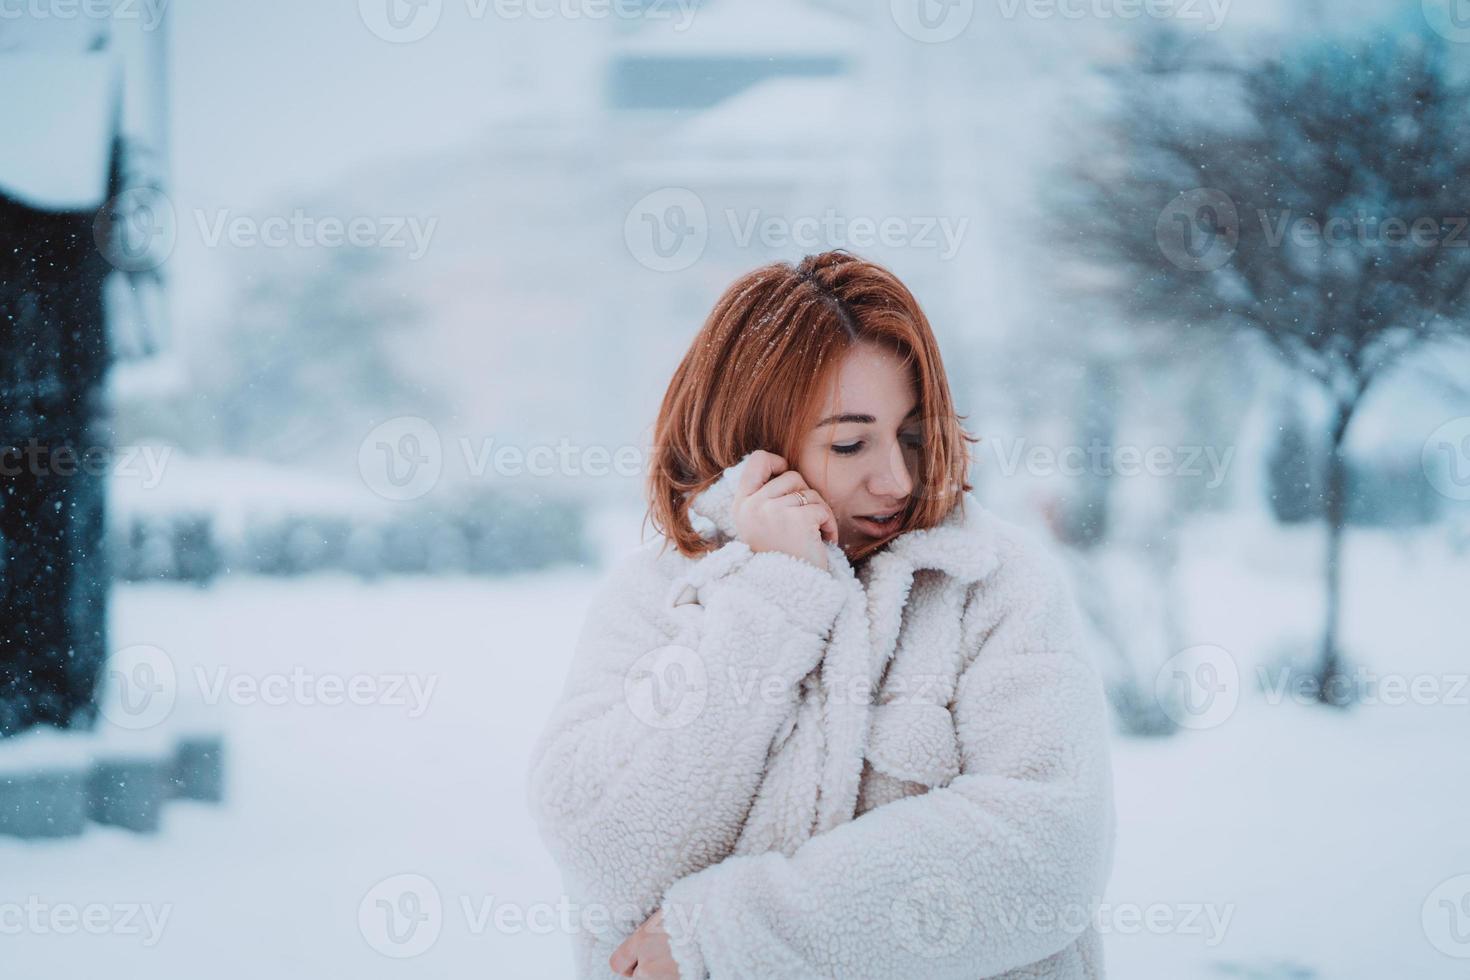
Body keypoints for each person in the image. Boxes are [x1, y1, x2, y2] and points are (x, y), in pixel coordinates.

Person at [526, 250, 1116, 979]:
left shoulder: (994, 582)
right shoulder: (655, 599)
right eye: (849, 442)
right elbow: (605, 846)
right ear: (756, 443)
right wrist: (773, 597)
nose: (897, 479)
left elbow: (1046, 854)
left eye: (910, 434)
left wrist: (724, 936)